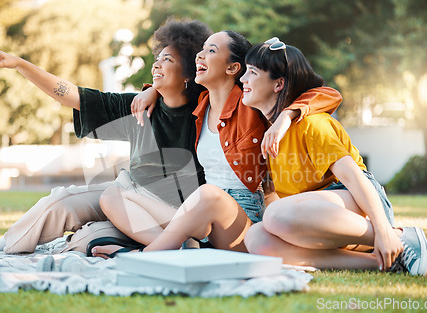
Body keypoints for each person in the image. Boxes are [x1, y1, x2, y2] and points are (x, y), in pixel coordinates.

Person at [0, 19, 213, 255]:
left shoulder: (205, 111)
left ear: (189, 72)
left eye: (168, 60)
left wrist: (153, 92)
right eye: (159, 57)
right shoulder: (137, 106)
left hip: (169, 211)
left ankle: (163, 248)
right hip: (127, 190)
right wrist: (20, 64)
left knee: (87, 239)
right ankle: (0, 245)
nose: (157, 63)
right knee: (61, 200)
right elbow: (70, 95)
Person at [90, 31, 342, 257]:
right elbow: (171, 86)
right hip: (202, 218)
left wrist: (286, 116)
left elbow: (326, 93)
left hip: (241, 221)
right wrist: (151, 90)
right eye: (203, 49)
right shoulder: (201, 104)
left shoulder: (251, 103)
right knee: (112, 196)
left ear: (233, 68)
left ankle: (144, 255)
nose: (200, 54)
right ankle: (184, 250)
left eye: (211, 50)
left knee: (209, 195)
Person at [239, 37, 427, 276]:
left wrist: (384, 228)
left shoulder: (313, 124)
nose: (243, 79)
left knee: (276, 213)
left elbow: (354, 177)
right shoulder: (270, 134)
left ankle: (399, 237)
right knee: (257, 237)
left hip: (360, 204)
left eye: (251, 72)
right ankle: (388, 262)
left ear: (278, 84)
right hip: (317, 225)